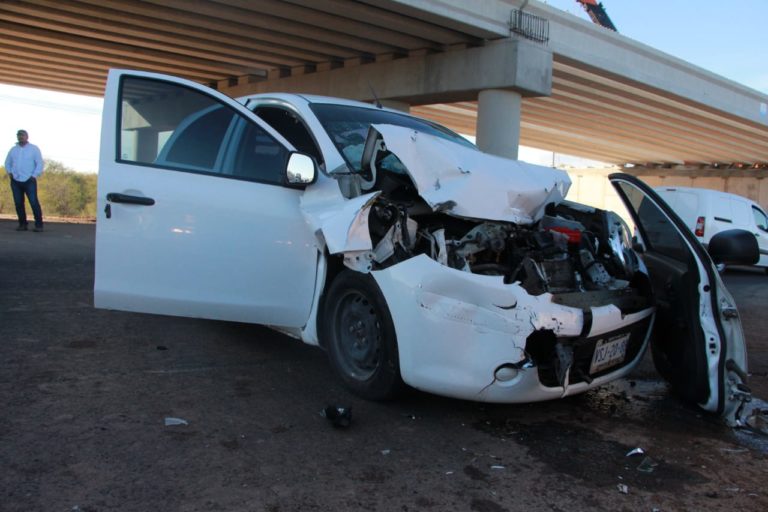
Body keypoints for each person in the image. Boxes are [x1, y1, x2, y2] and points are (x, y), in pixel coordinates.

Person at [5, 129, 44, 232]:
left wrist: (34, 175)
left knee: (33, 202)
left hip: (29, 180)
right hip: (15, 180)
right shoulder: (13, 150)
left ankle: (39, 225)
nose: (20, 137)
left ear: (27, 136)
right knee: (18, 203)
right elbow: (7, 162)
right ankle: (22, 224)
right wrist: (10, 172)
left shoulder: (33, 149)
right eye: (18, 135)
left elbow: (39, 163)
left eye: (22, 135)